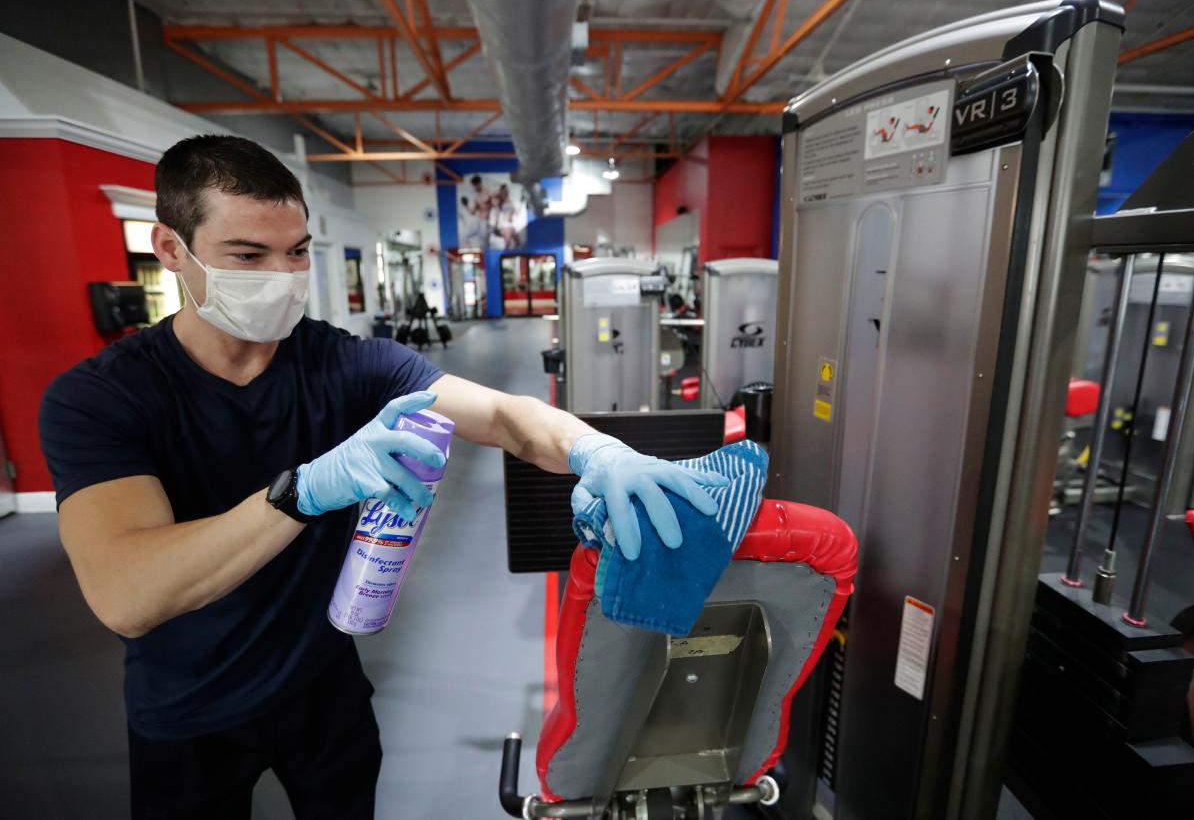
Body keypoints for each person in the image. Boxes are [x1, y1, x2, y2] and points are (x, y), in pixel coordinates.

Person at [37, 135, 726, 819]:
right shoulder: (101, 398)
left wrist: (596, 450)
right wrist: (302, 491)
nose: (281, 273)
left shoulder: (343, 363)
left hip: (323, 683)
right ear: (169, 249)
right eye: (248, 255)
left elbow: (507, 417)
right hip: (188, 705)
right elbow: (128, 594)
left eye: (298, 251)